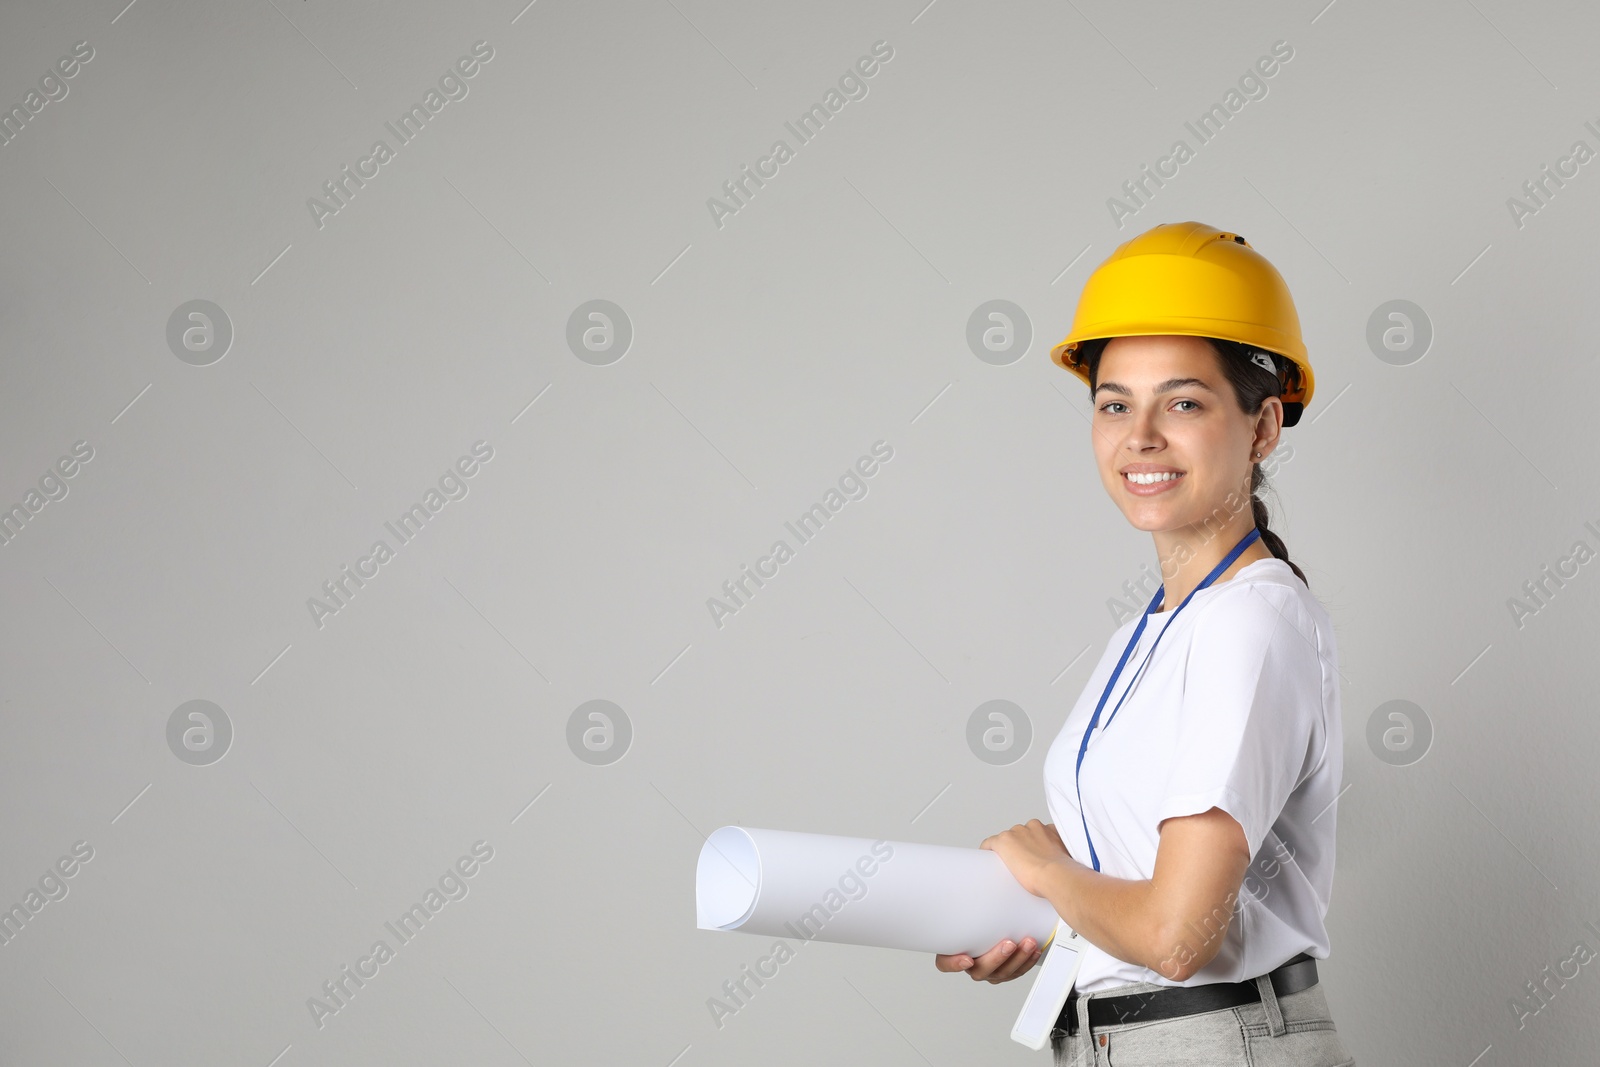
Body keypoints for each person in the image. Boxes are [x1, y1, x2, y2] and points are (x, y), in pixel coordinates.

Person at [934, 222, 1354, 1066]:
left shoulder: (1249, 621)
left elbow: (1176, 934)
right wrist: (1039, 921)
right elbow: (1140, 897)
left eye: (1185, 402)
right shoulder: (1153, 630)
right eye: (1115, 402)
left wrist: (1045, 871)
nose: (1141, 436)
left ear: (1264, 426)